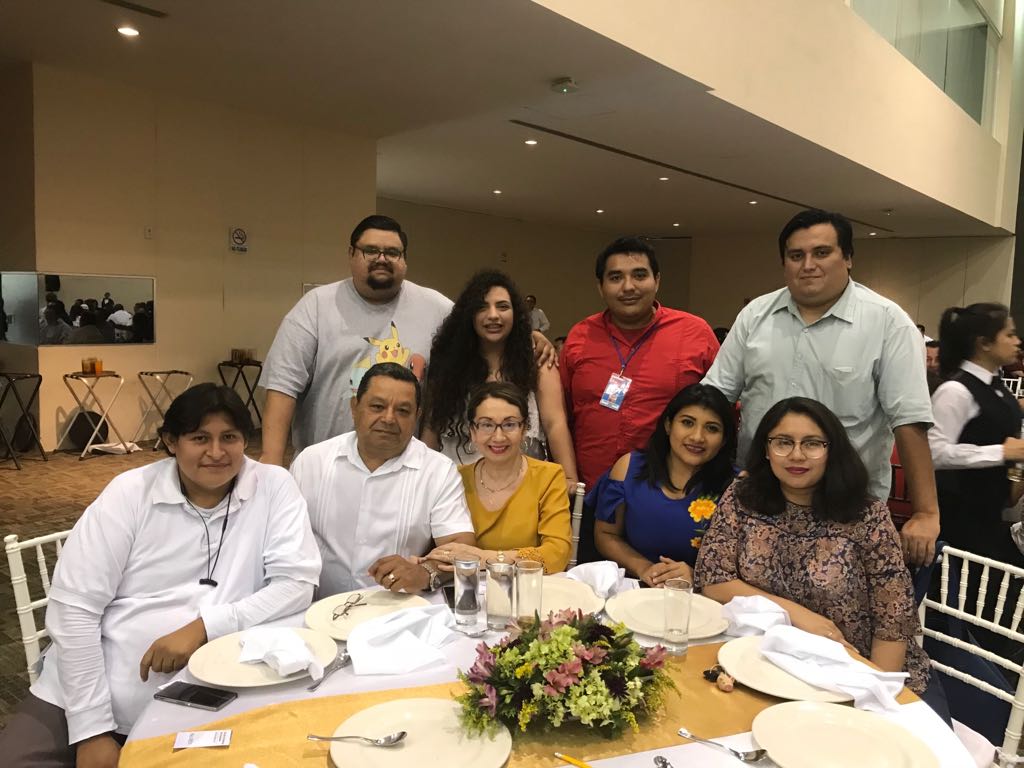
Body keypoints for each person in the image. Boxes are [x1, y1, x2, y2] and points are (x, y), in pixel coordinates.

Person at [0, 384, 321, 767]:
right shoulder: (129, 494)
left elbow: (295, 584)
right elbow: (74, 611)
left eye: (230, 437)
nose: (216, 452)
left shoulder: (273, 486)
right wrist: (91, 730)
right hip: (95, 686)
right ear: (171, 441)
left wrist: (204, 627)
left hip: (217, 685)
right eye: (200, 438)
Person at [702, 209, 939, 566]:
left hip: (844, 505)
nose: (808, 265)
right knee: (746, 596)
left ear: (848, 258)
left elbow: (909, 420)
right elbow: (715, 398)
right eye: (796, 255)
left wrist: (925, 512)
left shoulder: (888, 323)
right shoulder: (755, 316)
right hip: (759, 496)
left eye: (822, 253)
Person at [694, 397, 947, 717]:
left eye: (812, 443)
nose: (797, 455)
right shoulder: (743, 497)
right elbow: (713, 579)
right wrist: (803, 617)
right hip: (769, 665)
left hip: (859, 673)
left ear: (832, 450)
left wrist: (872, 701)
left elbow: (892, 623)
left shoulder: (866, 516)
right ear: (766, 449)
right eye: (783, 442)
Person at [260, 215, 555, 466]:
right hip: (328, 465)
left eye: (392, 252)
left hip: (405, 470)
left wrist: (530, 335)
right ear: (351, 253)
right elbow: (283, 386)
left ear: (404, 259)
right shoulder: (316, 307)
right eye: (370, 250)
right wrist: (272, 462)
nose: (382, 259)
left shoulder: (436, 307)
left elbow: (483, 325)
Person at [290, 362, 476, 596]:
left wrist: (424, 572)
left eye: (403, 411)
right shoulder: (311, 462)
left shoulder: (438, 471)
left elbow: (461, 545)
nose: (389, 418)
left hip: (397, 608)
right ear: (354, 407)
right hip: (315, 605)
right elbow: (279, 537)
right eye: (377, 406)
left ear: (417, 416)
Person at [560, 236, 719, 488]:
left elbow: (721, 410)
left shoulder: (695, 333)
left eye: (639, 275)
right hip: (590, 487)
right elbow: (562, 413)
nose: (628, 287)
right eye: (615, 277)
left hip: (671, 490)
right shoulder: (581, 336)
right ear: (600, 287)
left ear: (657, 280)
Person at [929, 304, 1024, 664]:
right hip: (959, 515)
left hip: (990, 511)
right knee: (964, 602)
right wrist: (1001, 452)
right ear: (984, 342)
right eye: (1009, 334)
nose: (1016, 341)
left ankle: (985, 663)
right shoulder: (955, 390)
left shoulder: (995, 385)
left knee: (991, 599)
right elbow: (935, 452)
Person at [422, 270, 578, 490]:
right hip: (456, 486)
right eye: (482, 307)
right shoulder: (449, 363)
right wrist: (421, 480)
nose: (493, 315)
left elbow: (555, 423)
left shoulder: (537, 360)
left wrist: (569, 478)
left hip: (522, 487)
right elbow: (432, 425)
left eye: (503, 306)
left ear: (516, 313)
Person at [591, 384, 736, 586]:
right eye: (687, 422)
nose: (697, 437)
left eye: (712, 428)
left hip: (702, 597)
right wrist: (644, 568)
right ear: (668, 425)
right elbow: (606, 535)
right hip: (633, 589)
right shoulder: (629, 468)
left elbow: (745, 567)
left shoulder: (736, 487)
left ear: (724, 439)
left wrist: (698, 576)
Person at [422, 382, 571, 573]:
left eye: (509, 424)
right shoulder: (453, 478)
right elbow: (441, 551)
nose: (498, 437)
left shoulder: (549, 476)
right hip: (467, 586)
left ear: (524, 429)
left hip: (527, 586)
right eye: (487, 425)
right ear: (473, 432)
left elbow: (557, 554)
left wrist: (485, 559)